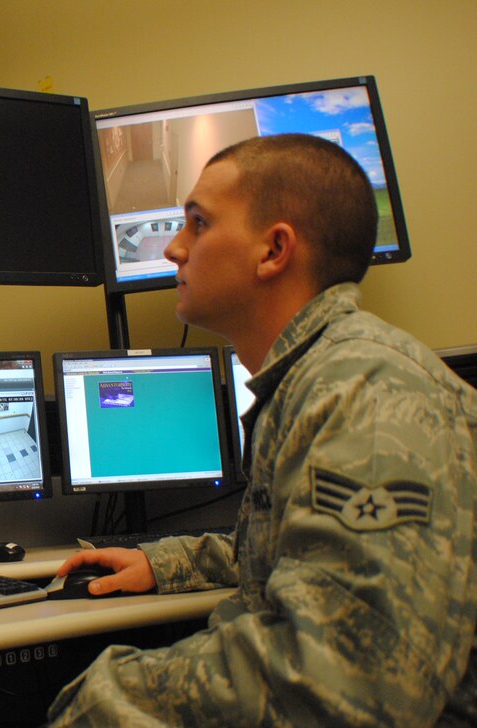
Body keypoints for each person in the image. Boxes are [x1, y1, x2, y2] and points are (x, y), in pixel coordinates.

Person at [46, 133, 477, 726]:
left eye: (197, 223)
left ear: (274, 250)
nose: (173, 249)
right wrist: (167, 564)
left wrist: (104, 699)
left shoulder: (362, 393)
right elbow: (299, 547)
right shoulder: (318, 378)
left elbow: (344, 679)